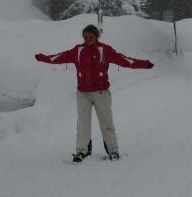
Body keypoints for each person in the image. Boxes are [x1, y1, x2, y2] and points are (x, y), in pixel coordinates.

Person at [35, 24, 153, 162]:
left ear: (97, 36)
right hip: (83, 94)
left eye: (91, 36)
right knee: (83, 123)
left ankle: (113, 151)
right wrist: (43, 58)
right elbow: (59, 57)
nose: (88, 39)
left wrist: (145, 64)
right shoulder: (78, 50)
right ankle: (81, 151)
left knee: (106, 122)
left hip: (101, 93)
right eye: (85, 37)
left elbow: (125, 61)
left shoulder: (105, 50)